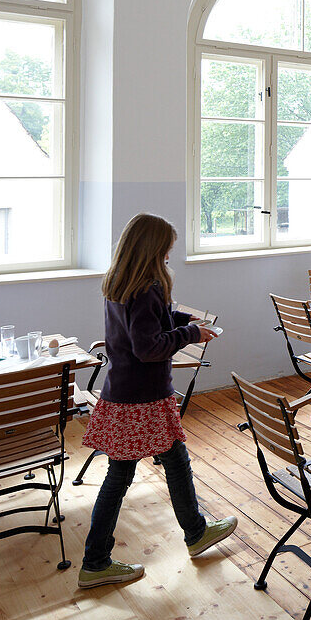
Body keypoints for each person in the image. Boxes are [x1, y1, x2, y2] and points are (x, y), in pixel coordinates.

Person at [78, 213, 236, 589]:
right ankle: (96, 561)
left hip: (127, 393)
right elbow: (148, 347)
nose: (168, 258)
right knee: (124, 474)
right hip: (142, 398)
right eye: (166, 252)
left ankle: (195, 532)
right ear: (152, 251)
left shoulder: (120, 283)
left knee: (174, 459)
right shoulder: (146, 287)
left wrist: (182, 317)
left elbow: (151, 320)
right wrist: (189, 333)